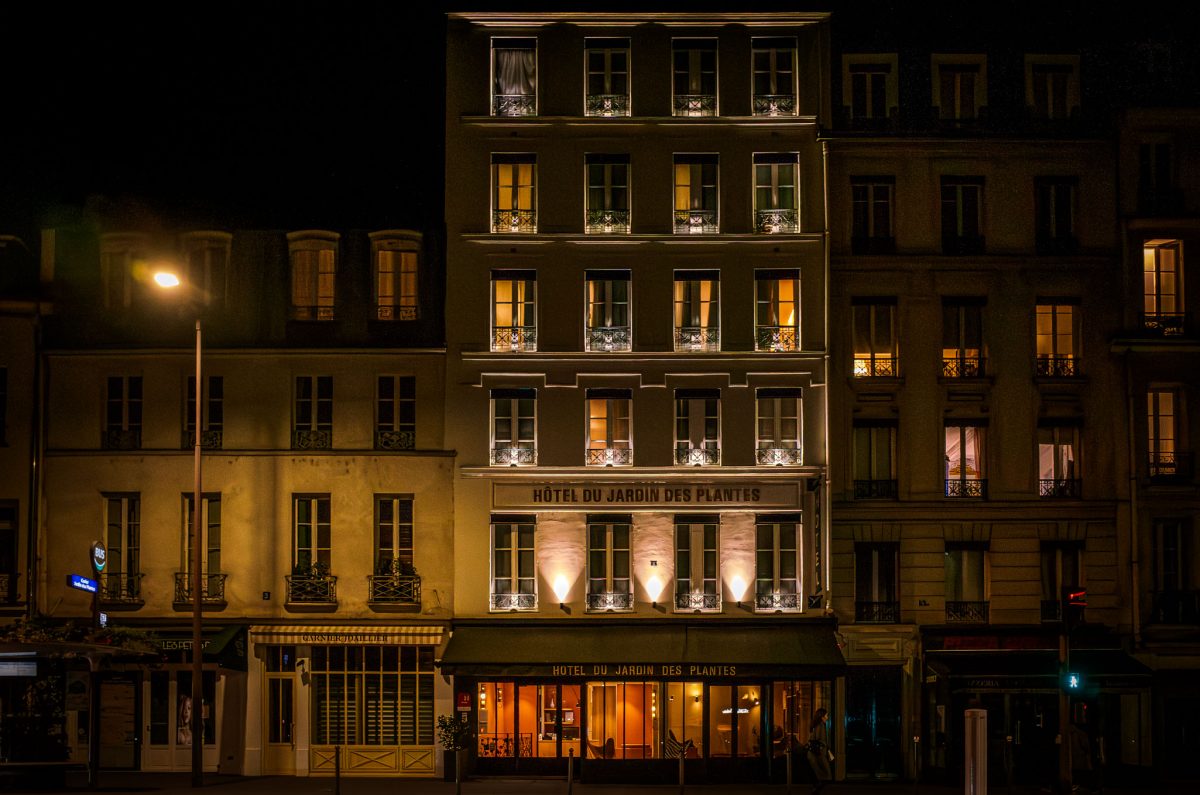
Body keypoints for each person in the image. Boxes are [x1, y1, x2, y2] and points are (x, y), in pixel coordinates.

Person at [807, 707, 833, 794]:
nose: (827, 717)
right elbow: (818, 739)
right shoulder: (820, 725)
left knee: (821, 774)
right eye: (826, 715)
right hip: (819, 754)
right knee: (827, 775)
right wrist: (825, 746)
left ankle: (815, 788)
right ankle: (815, 790)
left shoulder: (816, 725)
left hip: (816, 753)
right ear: (822, 716)